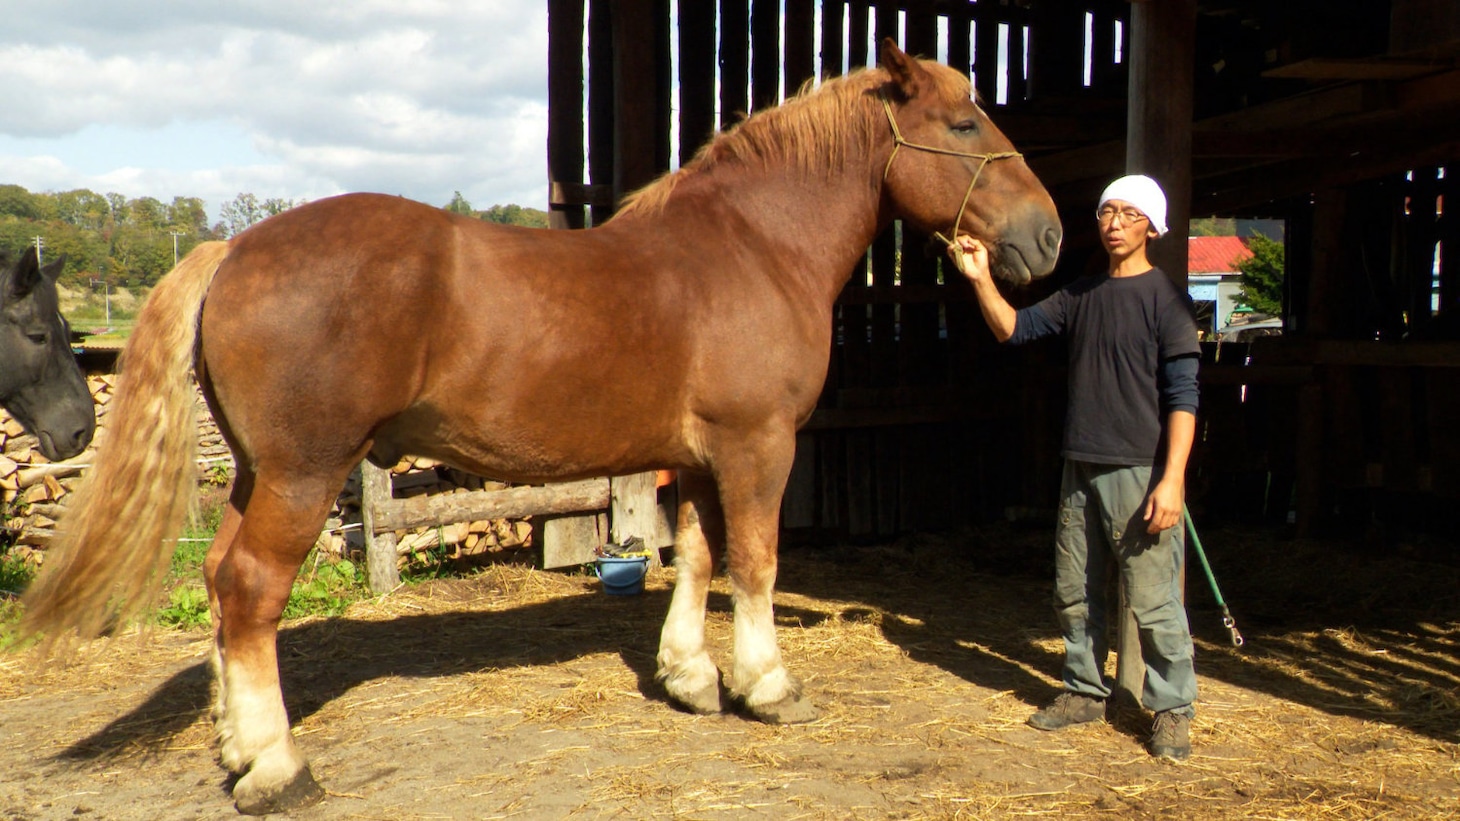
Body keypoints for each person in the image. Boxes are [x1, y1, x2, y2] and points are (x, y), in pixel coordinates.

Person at [950, 174, 1200, 761]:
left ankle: (1171, 710)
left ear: (1152, 227)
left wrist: (1173, 478)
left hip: (1139, 471)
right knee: (1074, 590)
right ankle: (1085, 691)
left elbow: (1184, 398)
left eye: (1129, 213)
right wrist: (982, 277)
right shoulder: (1082, 294)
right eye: (1107, 211)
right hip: (1079, 465)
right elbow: (1014, 329)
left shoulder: (1167, 301)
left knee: (1154, 596)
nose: (1114, 222)